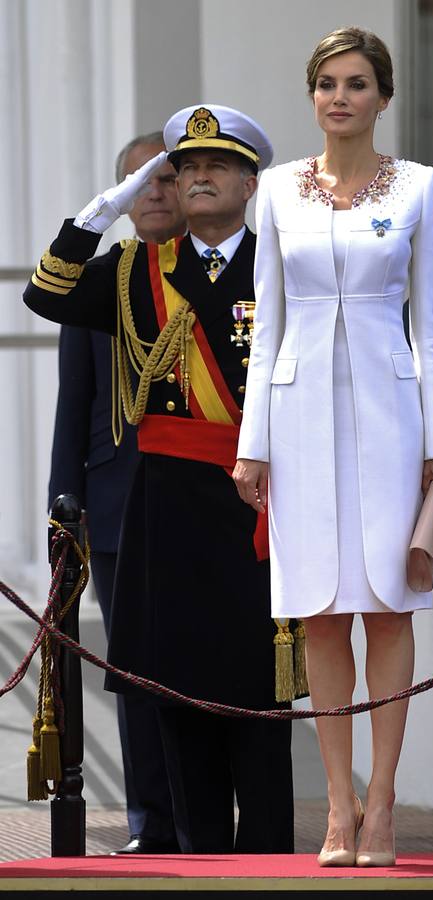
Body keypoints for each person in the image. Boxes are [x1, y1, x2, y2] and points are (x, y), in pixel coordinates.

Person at [25, 104, 294, 855]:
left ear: (249, 184)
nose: (196, 178)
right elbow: (45, 293)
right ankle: (201, 853)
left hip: (258, 498)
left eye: (215, 168)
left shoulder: (284, 258)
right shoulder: (132, 271)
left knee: (257, 691)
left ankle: (270, 851)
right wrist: (106, 207)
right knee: (173, 688)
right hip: (165, 506)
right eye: (184, 168)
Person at [233, 27, 433, 868]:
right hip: (295, 418)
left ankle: (382, 801)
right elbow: (265, 328)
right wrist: (252, 444)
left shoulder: (418, 187)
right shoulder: (274, 191)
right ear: (312, 95)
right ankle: (335, 803)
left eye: (357, 83)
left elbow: (428, 325)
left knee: (386, 604)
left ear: (383, 96)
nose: (339, 97)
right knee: (320, 613)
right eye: (326, 83)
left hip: (392, 411)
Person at [48, 131, 185, 855]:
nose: (153, 194)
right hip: (116, 505)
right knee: (134, 673)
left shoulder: (213, 276)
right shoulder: (99, 279)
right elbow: (76, 403)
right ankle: (150, 821)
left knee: (207, 666)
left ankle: (204, 820)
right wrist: (62, 510)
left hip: (207, 500)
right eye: (137, 184)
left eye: (165, 179)